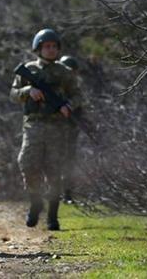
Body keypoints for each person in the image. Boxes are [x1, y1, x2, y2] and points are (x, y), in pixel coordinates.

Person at [9, 28, 81, 231]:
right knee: (27, 163)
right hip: (34, 124)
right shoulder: (29, 69)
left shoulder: (64, 73)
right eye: (46, 46)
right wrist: (27, 91)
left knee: (54, 171)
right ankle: (35, 201)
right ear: (38, 49)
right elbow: (13, 94)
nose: (50, 50)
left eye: (53, 46)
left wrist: (69, 106)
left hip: (57, 127)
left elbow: (77, 95)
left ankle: (52, 216)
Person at [58, 55, 81, 204]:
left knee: (69, 162)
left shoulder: (74, 90)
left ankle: (67, 194)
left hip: (70, 130)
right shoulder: (56, 88)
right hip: (53, 130)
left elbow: (79, 107)